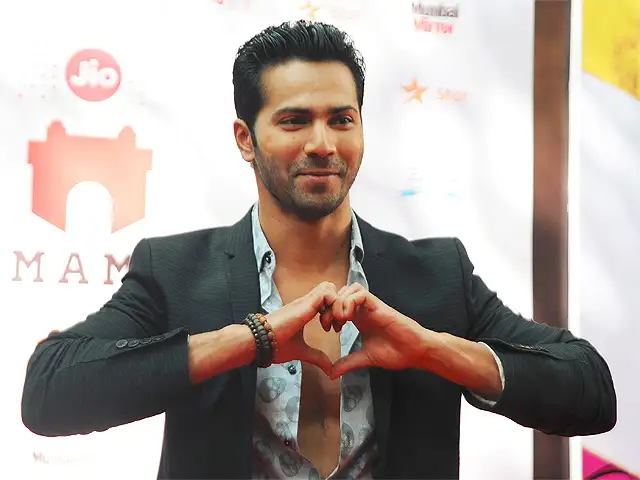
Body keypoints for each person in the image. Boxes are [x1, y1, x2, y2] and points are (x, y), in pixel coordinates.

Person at [21, 20, 616, 480]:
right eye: (294, 121)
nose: (322, 143)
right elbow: (49, 391)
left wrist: (431, 350)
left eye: (341, 119)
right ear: (245, 139)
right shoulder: (177, 271)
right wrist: (249, 340)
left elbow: (590, 390)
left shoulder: (436, 274)